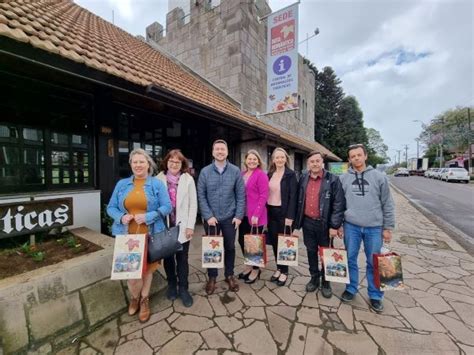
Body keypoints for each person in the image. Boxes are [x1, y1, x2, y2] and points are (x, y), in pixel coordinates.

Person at [107, 148, 171, 323]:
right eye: (135, 162)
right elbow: (110, 207)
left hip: (150, 234)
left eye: (141, 161)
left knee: (147, 271)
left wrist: (149, 216)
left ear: (148, 164)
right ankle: (134, 297)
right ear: (131, 164)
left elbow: (167, 207)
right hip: (127, 236)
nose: (138, 165)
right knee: (131, 273)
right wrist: (121, 216)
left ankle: (144, 300)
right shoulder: (122, 185)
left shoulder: (156, 184)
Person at [338, 144, 395, 313]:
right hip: (351, 226)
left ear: (365, 156)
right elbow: (340, 204)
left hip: (374, 227)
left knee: (374, 262)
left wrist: (388, 227)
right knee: (350, 259)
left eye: (359, 155)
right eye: (353, 156)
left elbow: (388, 203)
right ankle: (351, 288)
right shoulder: (343, 178)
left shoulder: (379, 177)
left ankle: (376, 295)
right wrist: (339, 224)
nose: (356, 158)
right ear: (349, 159)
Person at [294, 151, 345, 298]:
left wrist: (334, 226)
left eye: (317, 161)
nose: (315, 164)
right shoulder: (303, 177)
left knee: (326, 254)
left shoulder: (333, 179)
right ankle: (314, 278)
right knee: (310, 251)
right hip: (308, 222)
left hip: (325, 225)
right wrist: (297, 223)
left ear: (322, 162)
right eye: (312, 161)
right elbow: (299, 200)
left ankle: (326, 281)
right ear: (308, 163)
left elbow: (338, 204)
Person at [197, 139, 245, 295]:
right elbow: (201, 195)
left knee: (230, 247)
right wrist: (208, 215)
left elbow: (240, 195)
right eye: (217, 149)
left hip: (230, 217)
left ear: (227, 152)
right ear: (213, 152)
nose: (220, 152)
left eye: (222, 149)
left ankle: (229, 275)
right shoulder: (205, 172)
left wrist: (238, 215)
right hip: (211, 219)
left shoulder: (235, 171)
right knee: (212, 248)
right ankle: (212, 277)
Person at [157, 149, 197, 307]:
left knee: (182, 258)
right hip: (165, 226)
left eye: (177, 162)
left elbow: (193, 204)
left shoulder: (188, 179)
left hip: (182, 226)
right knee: (168, 258)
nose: (174, 164)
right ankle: (172, 285)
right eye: (171, 161)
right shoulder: (158, 179)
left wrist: (190, 226)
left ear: (182, 164)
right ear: (166, 162)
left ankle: (184, 288)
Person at [267, 147, 298, 286]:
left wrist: (290, 216)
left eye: (282, 157)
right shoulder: (269, 174)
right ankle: (279, 268)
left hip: (284, 213)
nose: (279, 160)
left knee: (284, 243)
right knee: (274, 242)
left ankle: (284, 271)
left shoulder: (291, 175)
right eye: (277, 157)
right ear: (273, 160)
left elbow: (293, 197)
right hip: (271, 212)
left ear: (286, 159)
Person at [237, 150, 269, 284]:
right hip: (242, 214)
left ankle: (256, 269)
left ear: (258, 161)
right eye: (249, 159)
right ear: (245, 161)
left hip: (256, 215)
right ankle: (249, 266)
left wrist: (256, 213)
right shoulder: (242, 174)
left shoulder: (261, 175)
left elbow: (264, 195)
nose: (252, 161)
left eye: (254, 159)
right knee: (241, 240)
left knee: (253, 243)